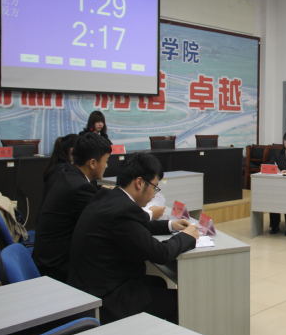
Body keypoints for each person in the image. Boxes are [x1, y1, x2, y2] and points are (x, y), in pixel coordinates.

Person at [68, 153, 198, 324]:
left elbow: (134, 228)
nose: (154, 194)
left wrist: (170, 225)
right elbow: (161, 253)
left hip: (92, 286)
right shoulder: (123, 211)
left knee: (158, 283)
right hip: (107, 299)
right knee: (181, 301)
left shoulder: (109, 197)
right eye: (155, 187)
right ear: (139, 183)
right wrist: (187, 236)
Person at [33, 133, 111, 282]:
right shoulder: (79, 187)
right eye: (106, 161)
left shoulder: (68, 175)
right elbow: (106, 219)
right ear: (92, 163)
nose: (107, 166)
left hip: (48, 257)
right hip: (57, 268)